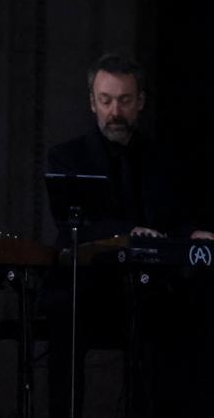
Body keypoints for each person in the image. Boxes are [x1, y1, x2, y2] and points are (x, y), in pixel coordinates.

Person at [43, 53, 187, 418]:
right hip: (89, 286)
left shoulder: (162, 159)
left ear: (140, 102)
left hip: (146, 287)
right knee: (65, 309)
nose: (115, 111)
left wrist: (193, 234)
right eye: (105, 101)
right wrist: (127, 232)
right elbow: (71, 225)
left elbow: (173, 220)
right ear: (92, 103)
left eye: (124, 100)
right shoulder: (66, 157)